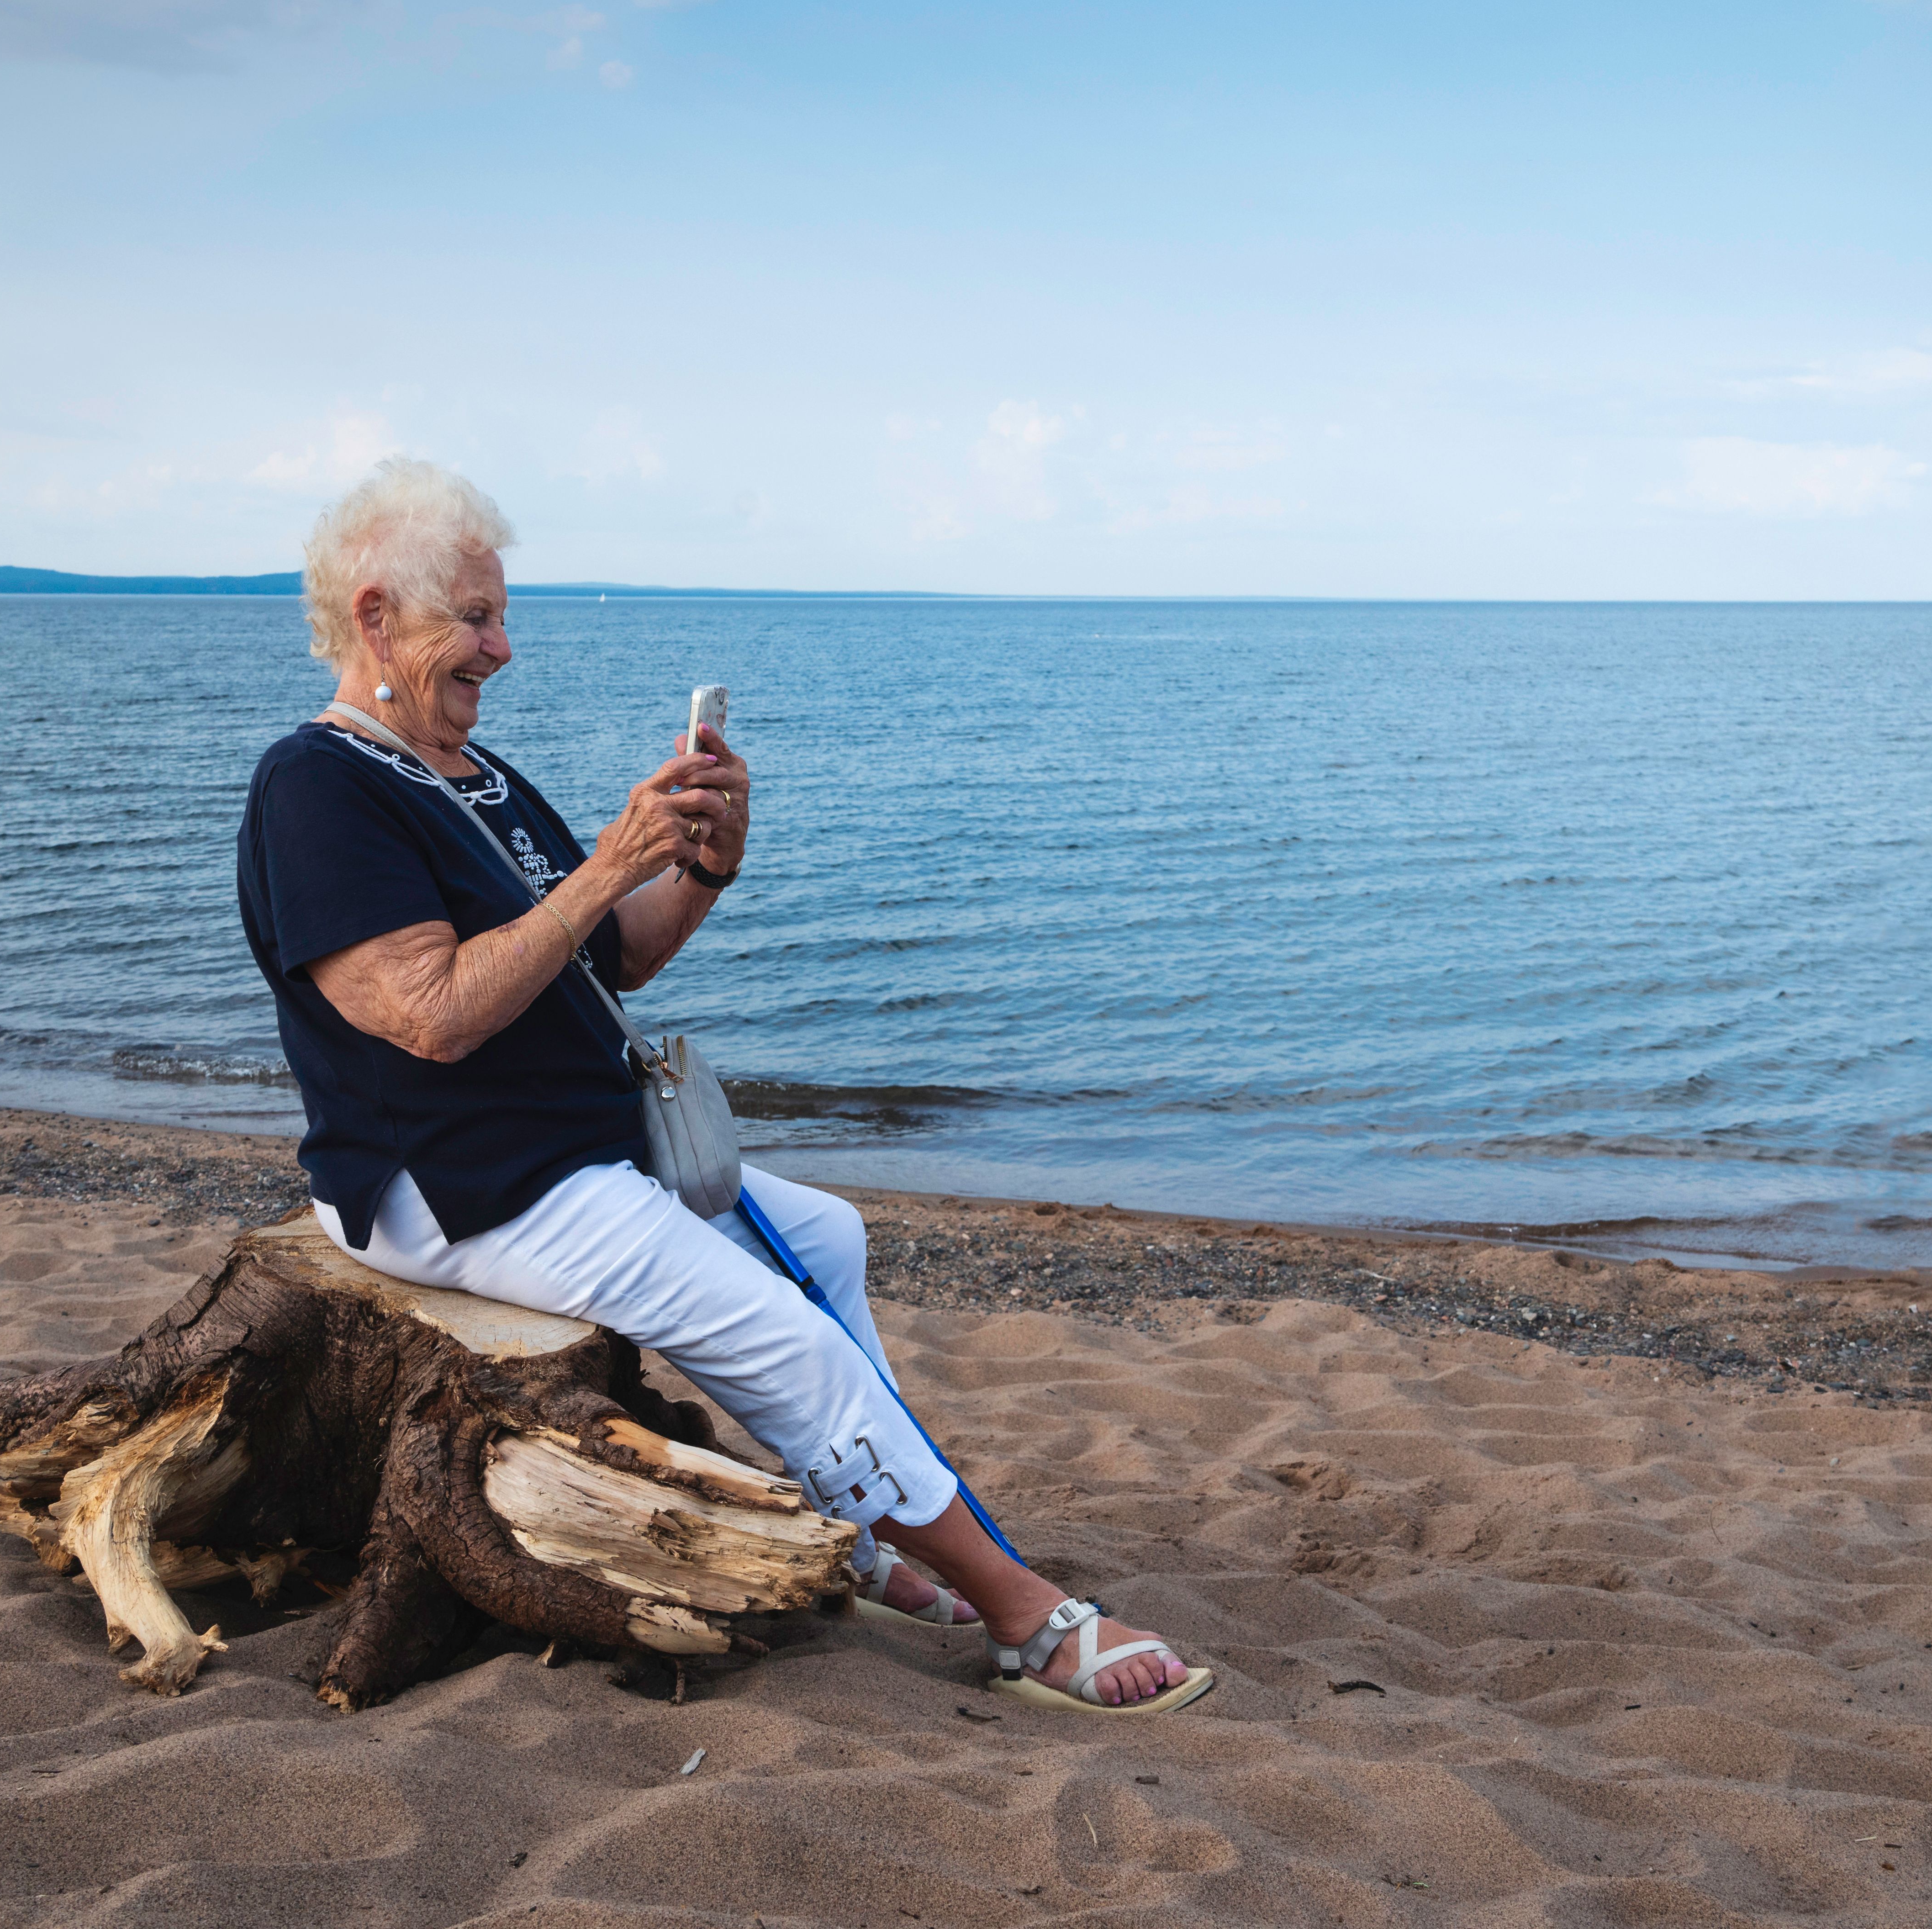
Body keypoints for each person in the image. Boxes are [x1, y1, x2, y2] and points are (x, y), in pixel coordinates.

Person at [234, 457, 1209, 1712]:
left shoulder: (472, 779)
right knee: (784, 1344)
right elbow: (429, 1020)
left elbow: (614, 960)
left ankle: (860, 1544)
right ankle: (1030, 1622)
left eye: (500, 613)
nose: (504, 646)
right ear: (376, 616)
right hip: (457, 1180)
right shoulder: (315, 787)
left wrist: (695, 868)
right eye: (475, 616)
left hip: (570, 1149)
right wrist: (605, 864)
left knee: (830, 1237)